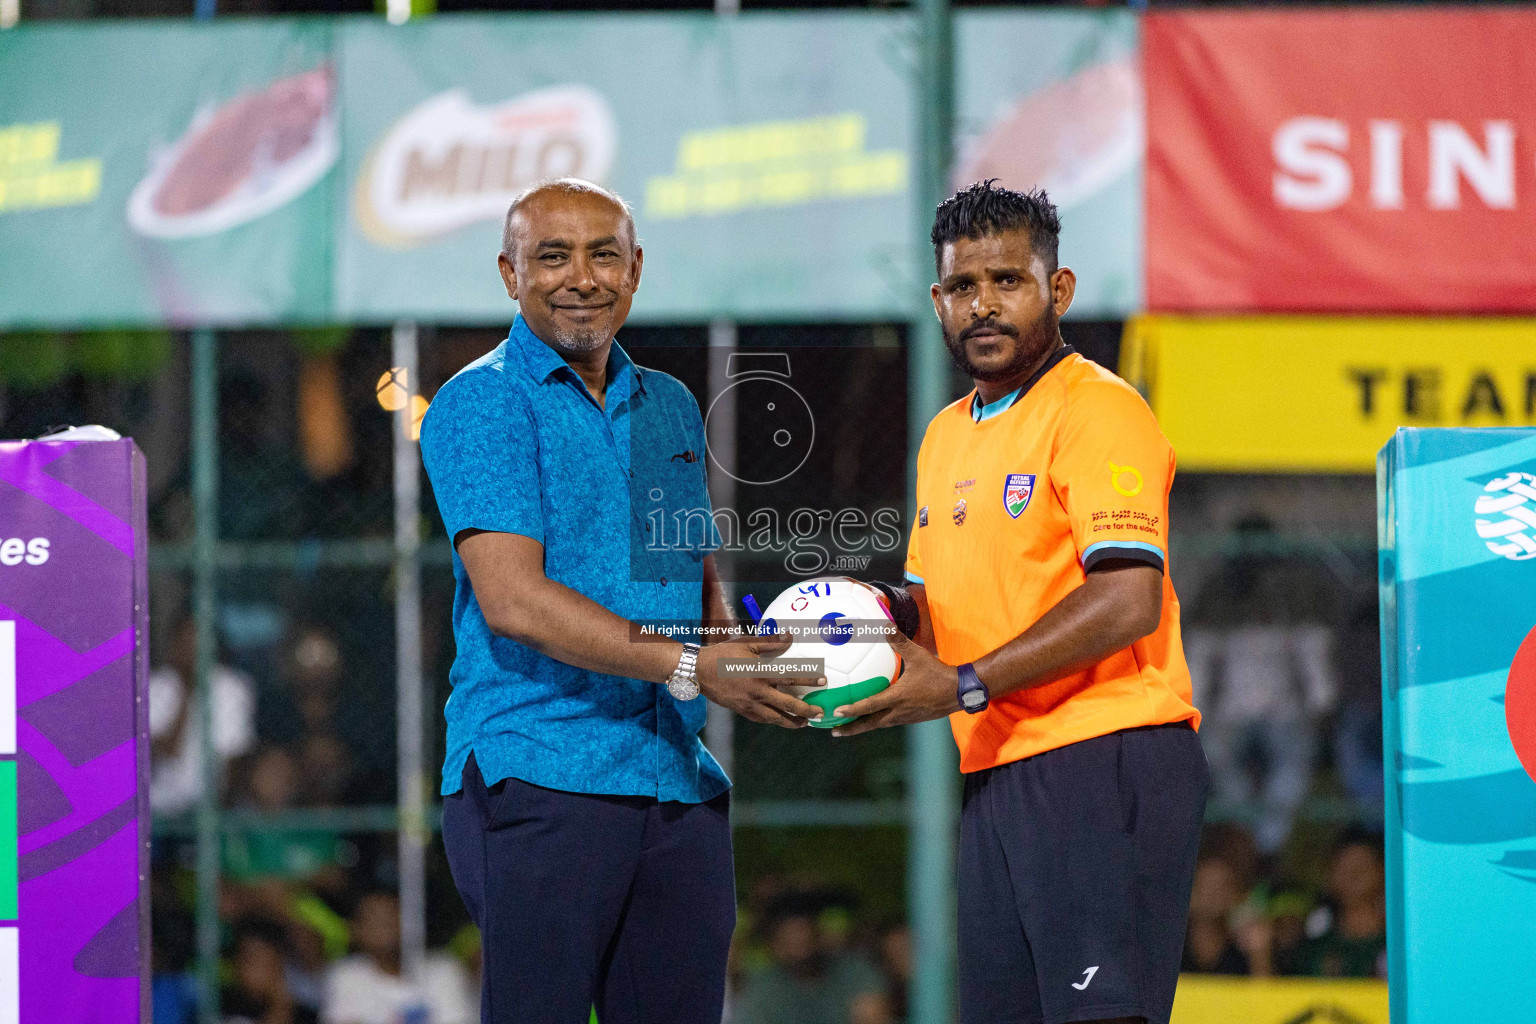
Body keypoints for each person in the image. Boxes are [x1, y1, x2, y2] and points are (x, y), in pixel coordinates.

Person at [419, 178, 818, 1024]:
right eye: (551, 256)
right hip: (539, 772)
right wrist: (691, 663)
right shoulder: (480, 401)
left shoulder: (668, 404)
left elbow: (693, 585)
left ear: (636, 270)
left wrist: (785, 661)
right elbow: (514, 601)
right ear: (508, 273)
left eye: (604, 255)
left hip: (675, 783)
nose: (582, 278)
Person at [832, 181, 1209, 1024]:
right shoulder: (946, 434)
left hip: (1104, 756)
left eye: (1008, 280)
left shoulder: (1099, 409)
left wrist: (964, 683)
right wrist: (849, 625)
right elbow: (932, 605)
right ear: (938, 300)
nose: (984, 305)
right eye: (964, 287)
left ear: (1058, 290)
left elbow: (1126, 599)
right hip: (1000, 769)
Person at [149, 615, 257, 817]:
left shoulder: (232, 687)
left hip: (214, 813)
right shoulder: (153, 687)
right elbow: (162, 753)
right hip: (160, 814)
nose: (192, 650)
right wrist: (187, 691)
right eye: (185, 641)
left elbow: (233, 760)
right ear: (173, 644)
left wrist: (213, 815)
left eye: (198, 641)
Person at [732, 894, 888, 1024]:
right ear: (775, 944)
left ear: (819, 934)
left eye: (803, 931)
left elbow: (872, 1015)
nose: (799, 941)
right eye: (790, 935)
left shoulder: (854, 971)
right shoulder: (762, 986)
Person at [321, 891, 473, 1024]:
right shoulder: (347, 975)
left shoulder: (444, 970)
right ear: (358, 930)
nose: (385, 926)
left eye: (391, 917)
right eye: (375, 920)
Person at [1298, 834, 1388, 979]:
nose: (1352, 877)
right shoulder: (1313, 950)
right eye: (1344, 869)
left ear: (1382, 873)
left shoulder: (1399, 946)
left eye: (1361, 869)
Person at [223, 918, 319, 1024]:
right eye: (241, 960)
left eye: (253, 959)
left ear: (277, 961)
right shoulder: (226, 1010)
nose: (243, 970)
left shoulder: (312, 1007)